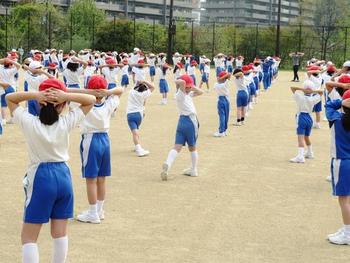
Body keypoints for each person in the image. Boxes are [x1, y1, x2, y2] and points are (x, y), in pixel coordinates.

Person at [6, 78, 95, 263]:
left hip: (40, 176)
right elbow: (91, 100)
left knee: (29, 237)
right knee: (60, 233)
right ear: (63, 106)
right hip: (63, 175)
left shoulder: (30, 122)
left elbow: (10, 98)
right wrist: (64, 95)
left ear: (39, 104)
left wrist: (37, 95)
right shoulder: (66, 122)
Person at [70, 75, 123, 224]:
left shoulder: (84, 104)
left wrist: (89, 91)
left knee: (91, 179)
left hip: (90, 140)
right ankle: (99, 210)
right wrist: (106, 92)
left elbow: (67, 90)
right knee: (101, 178)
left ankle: (93, 212)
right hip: (105, 140)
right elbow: (120, 91)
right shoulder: (109, 103)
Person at [160, 74, 203, 181]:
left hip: (181, 122)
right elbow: (183, 83)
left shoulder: (185, 94)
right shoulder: (181, 94)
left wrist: (190, 86)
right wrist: (181, 82)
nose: (189, 89)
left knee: (177, 146)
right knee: (192, 147)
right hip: (191, 121)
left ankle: (168, 164)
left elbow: (200, 92)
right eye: (187, 87)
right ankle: (194, 169)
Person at [325, 89, 350, 245]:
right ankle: (346, 228)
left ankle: (347, 233)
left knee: (344, 199)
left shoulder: (336, 119)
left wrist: (340, 101)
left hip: (342, 161)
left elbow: (328, 104)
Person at [289, 80, 323, 163]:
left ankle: (300, 156)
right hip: (309, 118)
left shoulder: (300, 97)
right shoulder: (313, 98)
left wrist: (303, 89)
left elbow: (292, 88)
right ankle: (310, 152)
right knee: (306, 136)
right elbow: (321, 92)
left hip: (301, 117)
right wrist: (312, 90)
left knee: (300, 138)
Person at [126, 80, 155, 157]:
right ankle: (138, 147)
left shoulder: (131, 92)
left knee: (134, 133)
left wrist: (140, 82)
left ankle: (138, 147)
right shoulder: (144, 94)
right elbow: (153, 87)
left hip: (130, 114)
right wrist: (145, 81)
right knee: (136, 132)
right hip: (139, 114)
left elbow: (135, 84)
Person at [214, 71, 230, 137]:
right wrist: (224, 77)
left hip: (220, 100)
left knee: (222, 116)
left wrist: (220, 78)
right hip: (226, 99)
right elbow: (229, 75)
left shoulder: (216, 84)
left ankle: (221, 131)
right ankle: (225, 130)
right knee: (226, 115)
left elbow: (219, 80)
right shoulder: (226, 83)